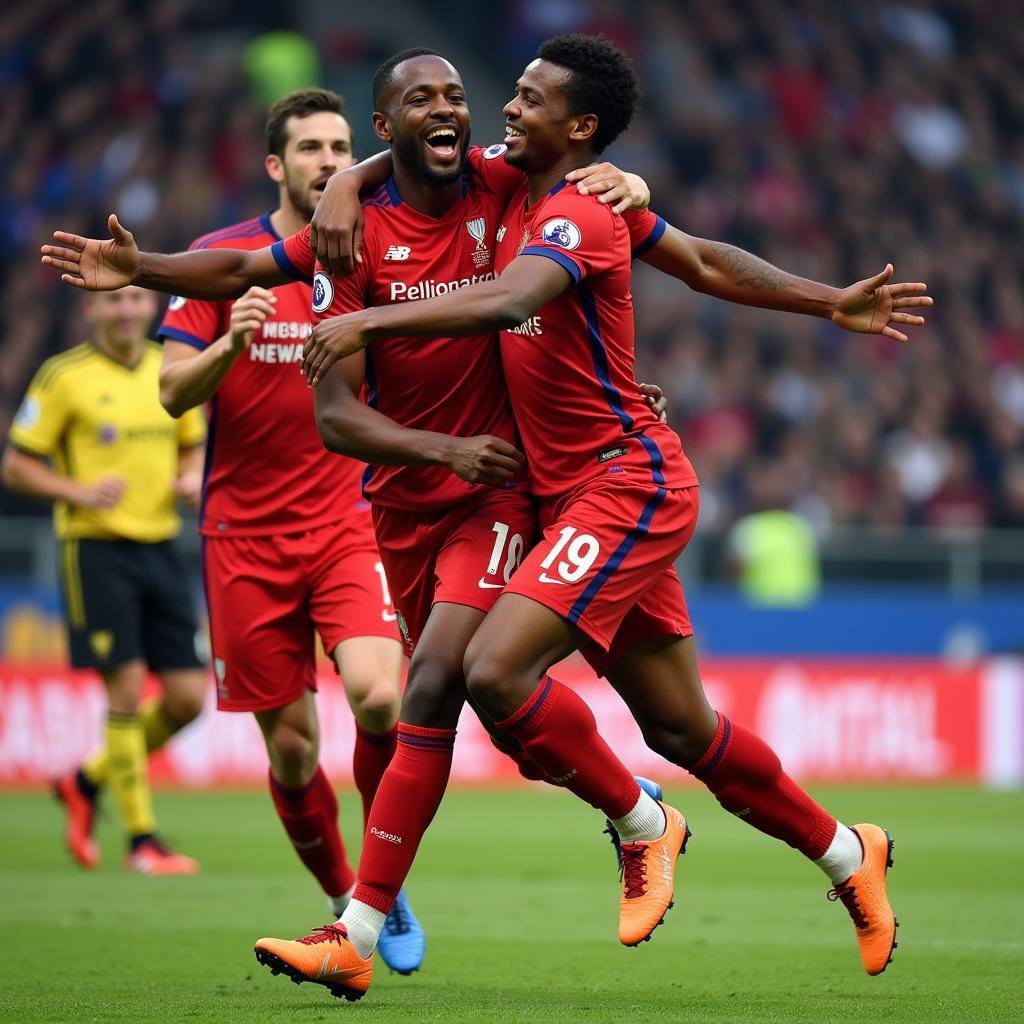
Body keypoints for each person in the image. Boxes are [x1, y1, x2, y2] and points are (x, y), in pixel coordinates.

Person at [40, 37, 930, 994]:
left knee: (467, 676)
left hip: (607, 483)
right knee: (679, 726)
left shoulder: (580, 202)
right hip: (541, 495)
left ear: (576, 127)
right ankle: (847, 853)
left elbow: (579, 286)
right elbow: (251, 268)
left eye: (509, 98)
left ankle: (421, 904)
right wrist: (160, 265)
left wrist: (830, 299)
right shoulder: (461, 191)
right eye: (465, 98)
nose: (491, 111)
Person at [154, 87, 425, 974]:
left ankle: (377, 888)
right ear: (276, 164)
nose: (327, 160)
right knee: (296, 747)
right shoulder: (221, 260)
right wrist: (229, 346)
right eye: (309, 147)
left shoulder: (373, 257)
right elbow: (169, 393)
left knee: (382, 699)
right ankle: (343, 893)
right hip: (241, 538)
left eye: (341, 145)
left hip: (348, 522)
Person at [2, 285, 207, 875]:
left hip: (162, 542)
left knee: (188, 699)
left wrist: (190, 479)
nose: (125, 311)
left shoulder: (171, 369)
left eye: (136, 300)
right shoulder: (62, 376)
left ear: (151, 308)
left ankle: (85, 778)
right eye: (113, 302)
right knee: (126, 687)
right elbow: (16, 465)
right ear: (90, 309)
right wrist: (78, 491)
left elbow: (191, 445)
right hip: (95, 548)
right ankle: (143, 840)